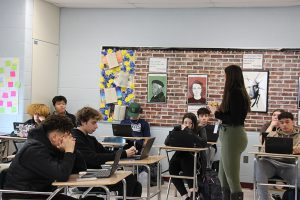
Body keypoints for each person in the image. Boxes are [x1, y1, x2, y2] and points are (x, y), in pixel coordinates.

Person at [3, 115, 99, 200]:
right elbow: (62, 176)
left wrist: (72, 150)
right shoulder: (34, 150)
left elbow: (80, 171)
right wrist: (69, 151)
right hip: (24, 196)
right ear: (54, 137)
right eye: (67, 136)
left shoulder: (50, 146)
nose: (70, 139)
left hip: (42, 193)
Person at [71, 106, 142, 198]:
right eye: (93, 123)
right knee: (128, 181)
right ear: (83, 122)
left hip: (95, 174)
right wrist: (124, 153)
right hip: (85, 177)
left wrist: (126, 152)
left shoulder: (90, 138)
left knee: (136, 185)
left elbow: (105, 152)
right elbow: (94, 159)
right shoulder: (75, 138)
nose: (96, 126)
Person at [209, 65, 250, 200]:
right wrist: (220, 111)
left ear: (231, 77)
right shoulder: (235, 92)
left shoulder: (235, 93)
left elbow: (234, 120)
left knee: (231, 176)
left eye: (225, 75)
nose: (224, 78)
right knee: (223, 176)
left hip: (233, 135)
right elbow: (232, 115)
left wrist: (216, 113)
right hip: (230, 135)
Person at [256, 112, 300, 200]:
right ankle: (264, 198)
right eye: (281, 122)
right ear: (278, 123)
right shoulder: (272, 134)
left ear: (293, 122)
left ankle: (288, 196)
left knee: (298, 184)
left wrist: (294, 149)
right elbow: (262, 150)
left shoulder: (299, 136)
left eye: (287, 122)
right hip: (270, 164)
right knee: (260, 162)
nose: (284, 125)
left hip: (288, 166)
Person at [165, 112, 207, 200]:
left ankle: (193, 192)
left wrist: (188, 131)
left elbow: (203, 143)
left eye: (190, 123)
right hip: (179, 154)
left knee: (186, 162)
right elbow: (167, 142)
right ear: (182, 122)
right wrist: (174, 131)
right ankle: (185, 196)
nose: (187, 125)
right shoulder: (179, 129)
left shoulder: (200, 129)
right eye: (185, 123)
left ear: (194, 124)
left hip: (194, 156)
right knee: (172, 167)